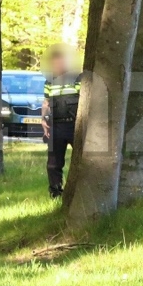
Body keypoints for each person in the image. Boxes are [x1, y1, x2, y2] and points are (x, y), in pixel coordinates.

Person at [41, 46, 80, 199]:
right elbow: (46, 102)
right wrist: (43, 119)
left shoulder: (77, 78)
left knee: (82, 160)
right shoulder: (49, 81)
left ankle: (79, 191)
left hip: (75, 126)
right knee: (53, 163)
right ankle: (56, 193)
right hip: (55, 126)